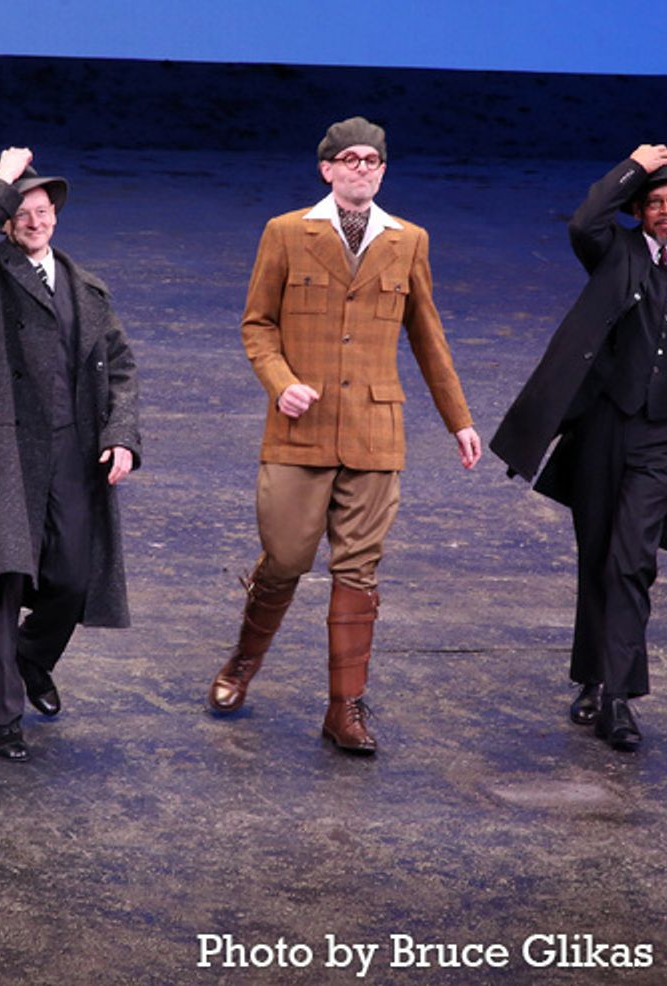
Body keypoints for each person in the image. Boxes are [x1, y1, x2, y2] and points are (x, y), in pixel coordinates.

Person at [208, 116, 482, 755]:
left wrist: (459, 420)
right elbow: (256, 324)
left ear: (383, 171)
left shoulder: (408, 240)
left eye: (373, 160)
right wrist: (281, 382)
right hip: (299, 430)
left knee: (358, 568)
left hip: (374, 431)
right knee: (285, 558)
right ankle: (243, 662)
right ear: (326, 168)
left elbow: (428, 337)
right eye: (351, 159)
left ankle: (344, 709)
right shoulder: (286, 233)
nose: (363, 168)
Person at [491, 144, 667, 752]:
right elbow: (585, 222)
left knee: (632, 561)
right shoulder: (617, 255)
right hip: (605, 431)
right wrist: (633, 165)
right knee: (598, 558)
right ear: (639, 209)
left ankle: (617, 696)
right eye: (656, 201)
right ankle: (592, 677)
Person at [0, 147, 141, 760]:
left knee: (74, 577)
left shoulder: (86, 288)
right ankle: (5, 719)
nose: (34, 221)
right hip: (10, 447)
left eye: (43, 210)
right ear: (7, 219)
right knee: (5, 580)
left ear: (56, 215)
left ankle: (32, 656)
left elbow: (123, 369)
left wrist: (121, 436)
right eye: (22, 212)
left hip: (73, 449)